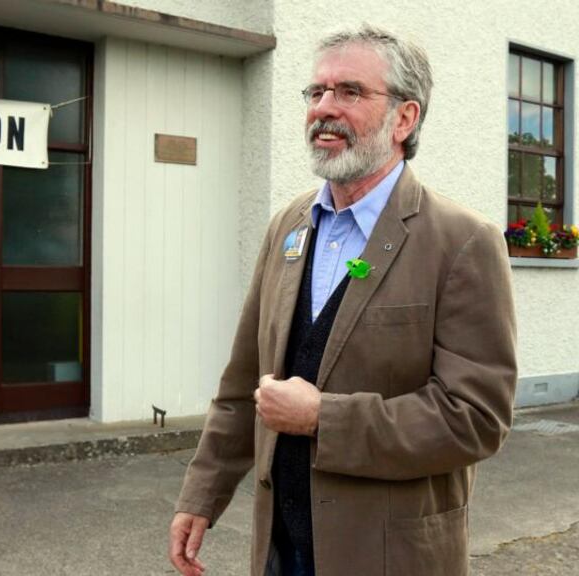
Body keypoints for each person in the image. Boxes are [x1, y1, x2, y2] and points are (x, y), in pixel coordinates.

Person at [168, 25, 517, 576]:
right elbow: (241, 387)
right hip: (281, 548)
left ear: (405, 118)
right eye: (317, 92)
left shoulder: (462, 241)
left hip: (388, 555)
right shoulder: (289, 225)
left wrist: (323, 419)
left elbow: (475, 418)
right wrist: (202, 494)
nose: (324, 109)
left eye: (350, 92)